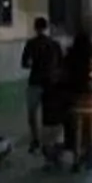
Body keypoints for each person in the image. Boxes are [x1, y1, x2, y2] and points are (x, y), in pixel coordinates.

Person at [61, 23, 92, 172]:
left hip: (76, 98)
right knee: (91, 130)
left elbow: (65, 77)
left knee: (77, 130)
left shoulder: (71, 60)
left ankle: (76, 160)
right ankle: (91, 156)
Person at [21, 16, 63, 166]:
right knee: (49, 117)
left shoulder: (31, 44)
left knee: (32, 114)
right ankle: (49, 145)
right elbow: (61, 64)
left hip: (35, 82)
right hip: (51, 85)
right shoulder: (54, 44)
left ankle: (35, 140)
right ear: (46, 28)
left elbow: (24, 63)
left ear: (35, 28)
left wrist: (34, 64)